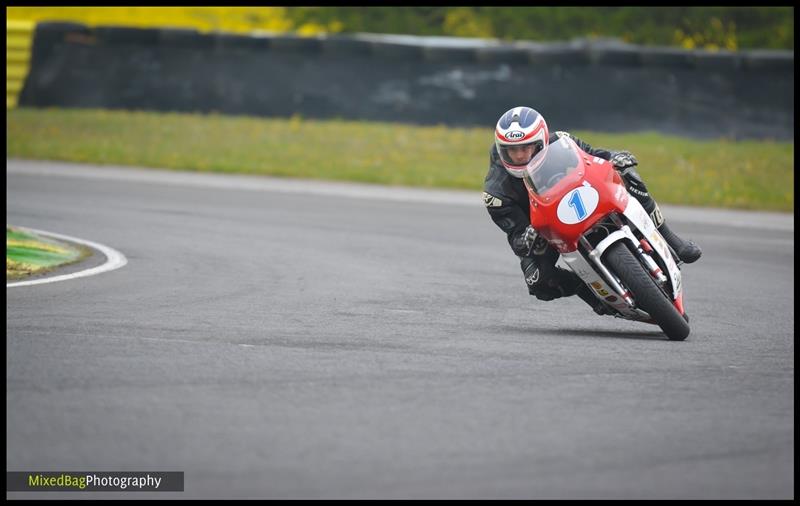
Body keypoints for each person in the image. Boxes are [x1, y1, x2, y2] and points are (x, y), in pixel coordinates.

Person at [483, 106, 702, 315]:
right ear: (502, 150)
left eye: (525, 148)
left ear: (542, 141)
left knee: (628, 175)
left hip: (582, 196)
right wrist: (527, 237)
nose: (520, 156)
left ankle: (673, 240)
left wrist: (615, 157)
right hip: (544, 227)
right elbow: (517, 241)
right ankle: (588, 290)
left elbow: (594, 156)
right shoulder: (496, 192)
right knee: (537, 282)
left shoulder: (561, 141)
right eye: (512, 151)